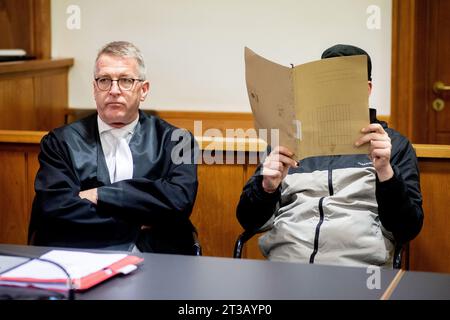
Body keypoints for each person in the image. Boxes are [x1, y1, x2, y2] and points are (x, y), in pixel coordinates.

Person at [236, 44, 424, 267]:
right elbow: (247, 220)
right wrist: (266, 188)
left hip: (358, 268)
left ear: (367, 88)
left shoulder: (392, 145)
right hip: (286, 264)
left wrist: (386, 173)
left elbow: (408, 227)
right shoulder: (289, 141)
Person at [28, 41, 199, 254]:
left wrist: (100, 195)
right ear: (94, 88)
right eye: (104, 80)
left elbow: (178, 200)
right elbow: (56, 207)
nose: (114, 90)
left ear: (143, 90)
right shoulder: (60, 142)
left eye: (126, 81)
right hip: (83, 251)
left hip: (156, 254)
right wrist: (136, 220)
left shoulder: (176, 140)